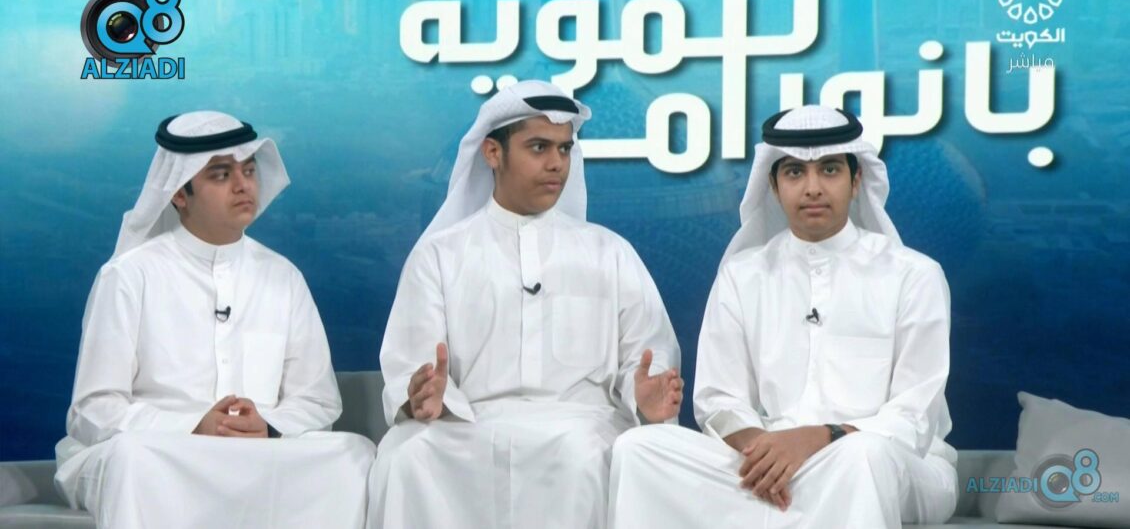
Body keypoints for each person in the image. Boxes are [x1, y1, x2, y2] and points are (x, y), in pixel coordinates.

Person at [608, 105, 957, 528]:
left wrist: (816, 438)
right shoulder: (742, 275)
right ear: (773, 186)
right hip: (770, 454)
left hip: (892, 461)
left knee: (863, 456)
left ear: (856, 180)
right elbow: (720, 401)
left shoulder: (914, 275)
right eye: (794, 173)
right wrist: (767, 453)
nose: (812, 188)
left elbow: (912, 417)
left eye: (830, 170)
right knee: (639, 448)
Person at [368, 81, 683, 529]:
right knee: (406, 455)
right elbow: (411, 364)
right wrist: (425, 396)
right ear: (492, 153)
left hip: (583, 425)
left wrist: (644, 397)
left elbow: (647, 356)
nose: (556, 163)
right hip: (466, 422)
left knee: (587, 455)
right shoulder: (439, 255)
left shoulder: (609, 252)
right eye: (539, 147)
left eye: (564, 149)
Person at [54, 110, 376, 529]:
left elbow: (318, 401)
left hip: (257, 455)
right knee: (134, 458)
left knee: (353, 454)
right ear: (179, 193)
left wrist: (269, 426)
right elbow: (93, 409)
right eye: (222, 175)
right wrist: (193, 426)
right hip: (165, 453)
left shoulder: (283, 277)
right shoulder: (129, 276)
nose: (243, 185)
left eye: (249, 170)